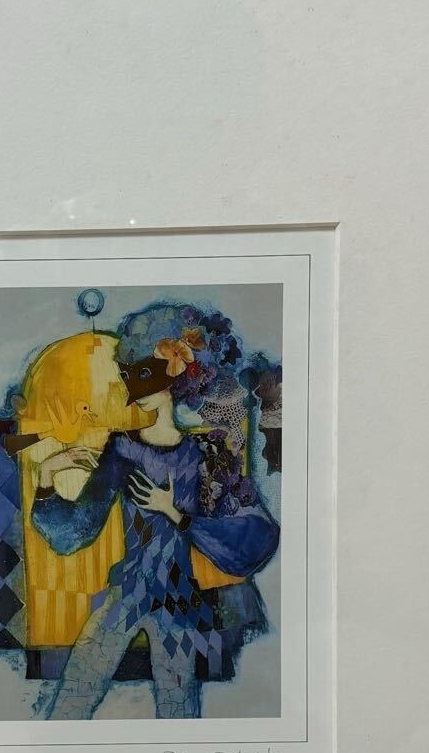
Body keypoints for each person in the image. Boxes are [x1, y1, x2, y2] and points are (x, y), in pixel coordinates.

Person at [30, 302, 279, 718]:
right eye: (129, 374)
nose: (132, 386)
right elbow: (78, 528)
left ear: (174, 380)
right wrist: (45, 478)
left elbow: (255, 534)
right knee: (73, 697)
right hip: (125, 593)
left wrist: (174, 512)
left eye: (142, 374)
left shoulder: (206, 453)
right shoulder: (122, 447)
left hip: (178, 604)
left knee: (177, 714)